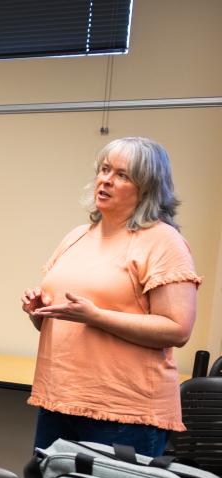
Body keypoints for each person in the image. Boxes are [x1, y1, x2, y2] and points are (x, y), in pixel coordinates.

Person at [22, 136, 199, 457]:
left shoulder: (162, 242)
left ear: (147, 188)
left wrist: (95, 316)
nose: (106, 179)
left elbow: (178, 329)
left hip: (123, 413)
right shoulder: (77, 237)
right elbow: (66, 322)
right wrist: (39, 313)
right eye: (104, 170)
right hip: (60, 400)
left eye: (122, 175)